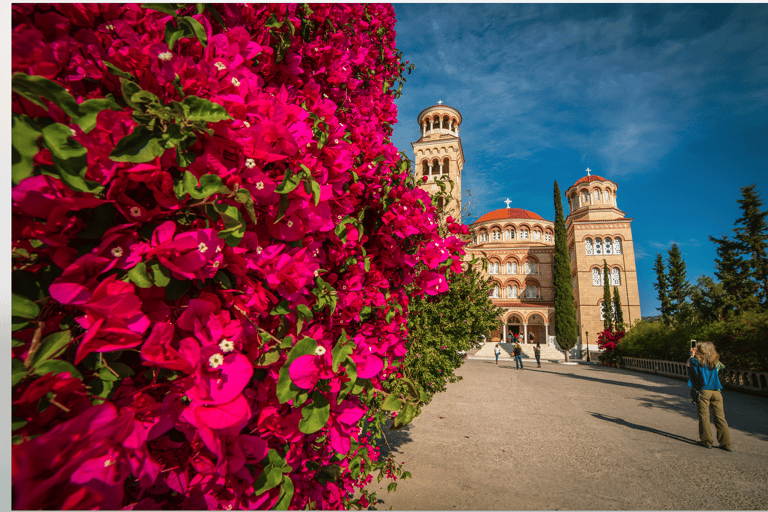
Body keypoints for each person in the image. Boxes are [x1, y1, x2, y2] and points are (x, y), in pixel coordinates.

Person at [687, 341, 732, 451]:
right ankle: (726, 444)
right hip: (717, 392)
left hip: (704, 391)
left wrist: (692, 354)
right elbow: (721, 367)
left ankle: (706, 441)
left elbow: (688, 364)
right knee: (720, 418)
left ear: (700, 351)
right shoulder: (716, 362)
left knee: (704, 416)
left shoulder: (695, 361)